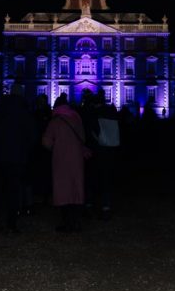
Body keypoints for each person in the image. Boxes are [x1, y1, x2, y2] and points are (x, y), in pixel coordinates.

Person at [0, 84, 35, 233]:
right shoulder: (25, 113)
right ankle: (11, 222)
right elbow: (32, 136)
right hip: (17, 157)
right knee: (14, 190)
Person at [42, 94, 90, 232]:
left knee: (63, 190)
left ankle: (67, 223)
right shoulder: (76, 118)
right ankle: (76, 222)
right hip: (76, 159)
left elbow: (46, 142)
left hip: (61, 159)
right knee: (76, 189)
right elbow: (83, 137)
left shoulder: (55, 121)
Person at [90, 90, 120, 220]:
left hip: (99, 150)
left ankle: (92, 205)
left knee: (96, 177)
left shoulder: (95, 114)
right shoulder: (112, 112)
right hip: (111, 150)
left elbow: (93, 132)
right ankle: (106, 206)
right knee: (107, 178)